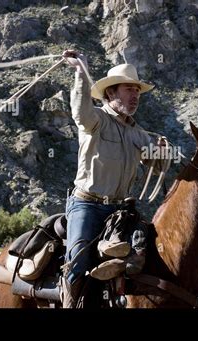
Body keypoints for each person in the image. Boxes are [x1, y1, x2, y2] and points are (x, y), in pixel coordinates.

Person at [61, 50, 162, 308]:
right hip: (88, 205)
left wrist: (164, 152)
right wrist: (81, 72)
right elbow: (79, 111)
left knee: (149, 254)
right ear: (110, 94)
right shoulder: (96, 120)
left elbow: (157, 161)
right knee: (78, 261)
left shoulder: (138, 133)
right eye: (129, 90)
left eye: (137, 91)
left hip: (121, 210)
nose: (135, 96)